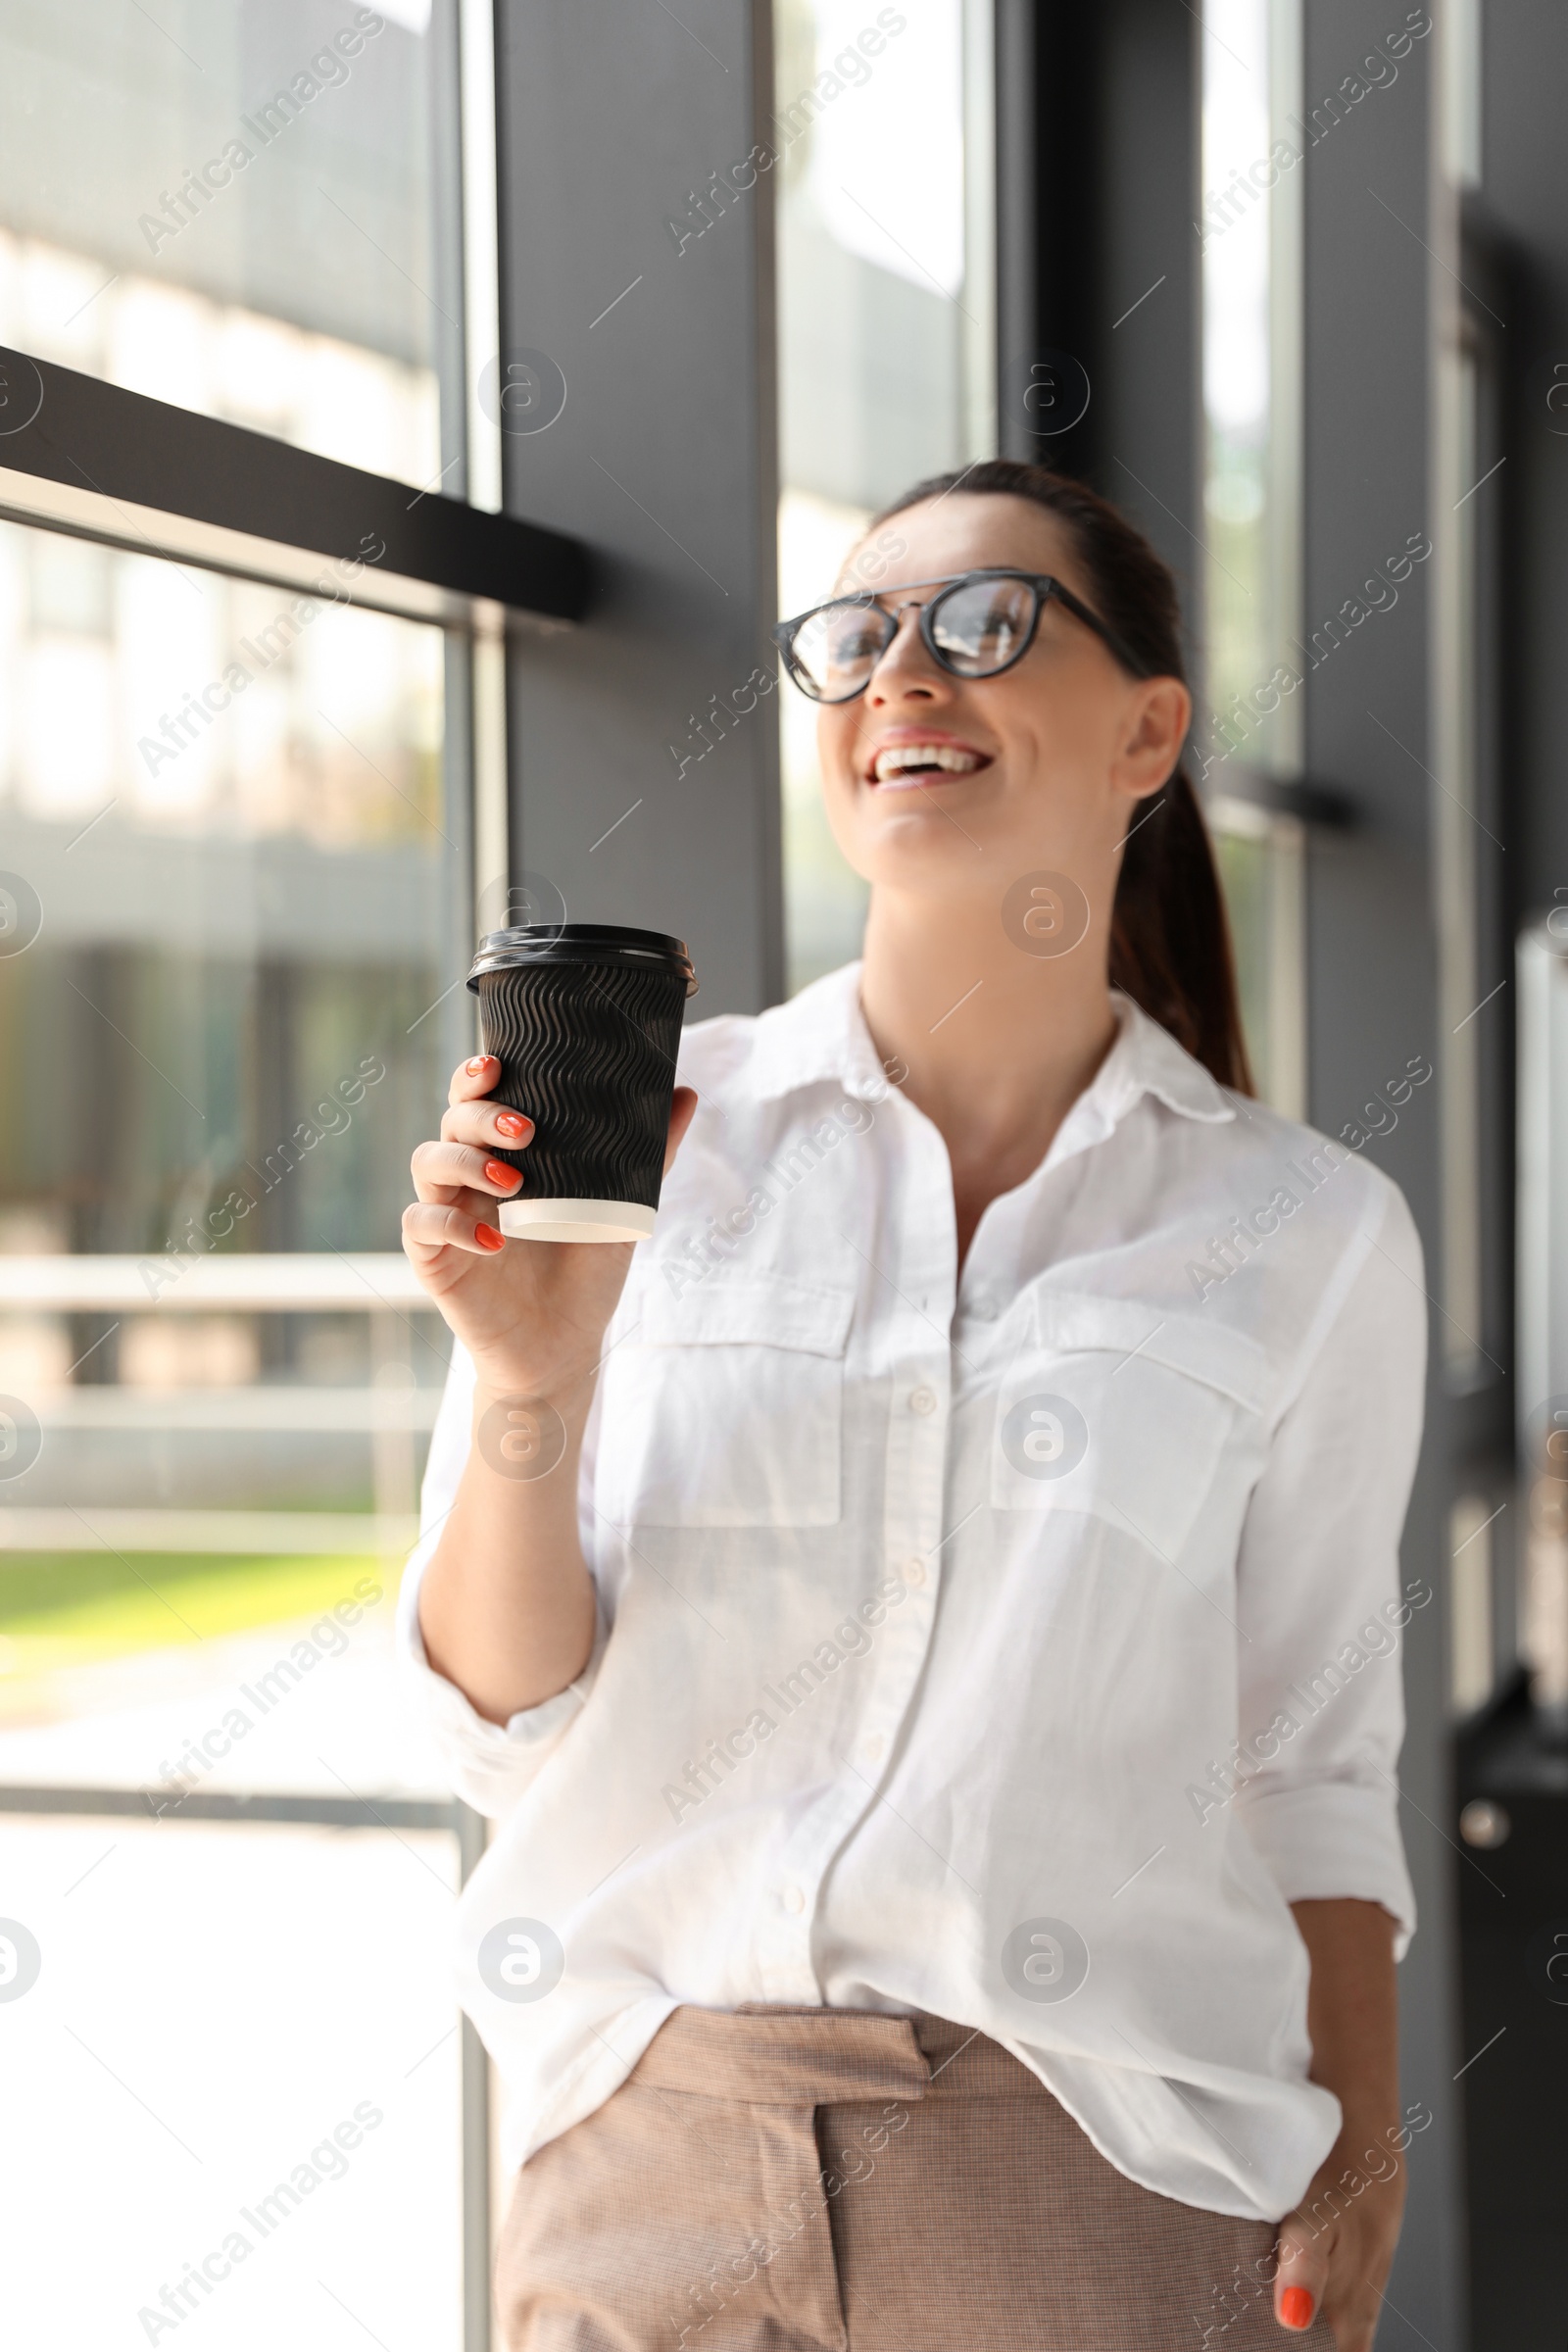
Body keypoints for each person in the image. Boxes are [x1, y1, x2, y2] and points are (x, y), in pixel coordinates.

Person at [398, 460, 1425, 2351]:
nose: (903, 678)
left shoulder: (1308, 1233)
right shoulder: (657, 1151)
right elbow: (501, 1718)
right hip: (647, 2160)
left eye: (982, 625)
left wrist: (1365, 2146)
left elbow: (1311, 1766)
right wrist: (527, 1383)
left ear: (1148, 730)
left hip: (1089, 2169)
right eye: (856, 639)